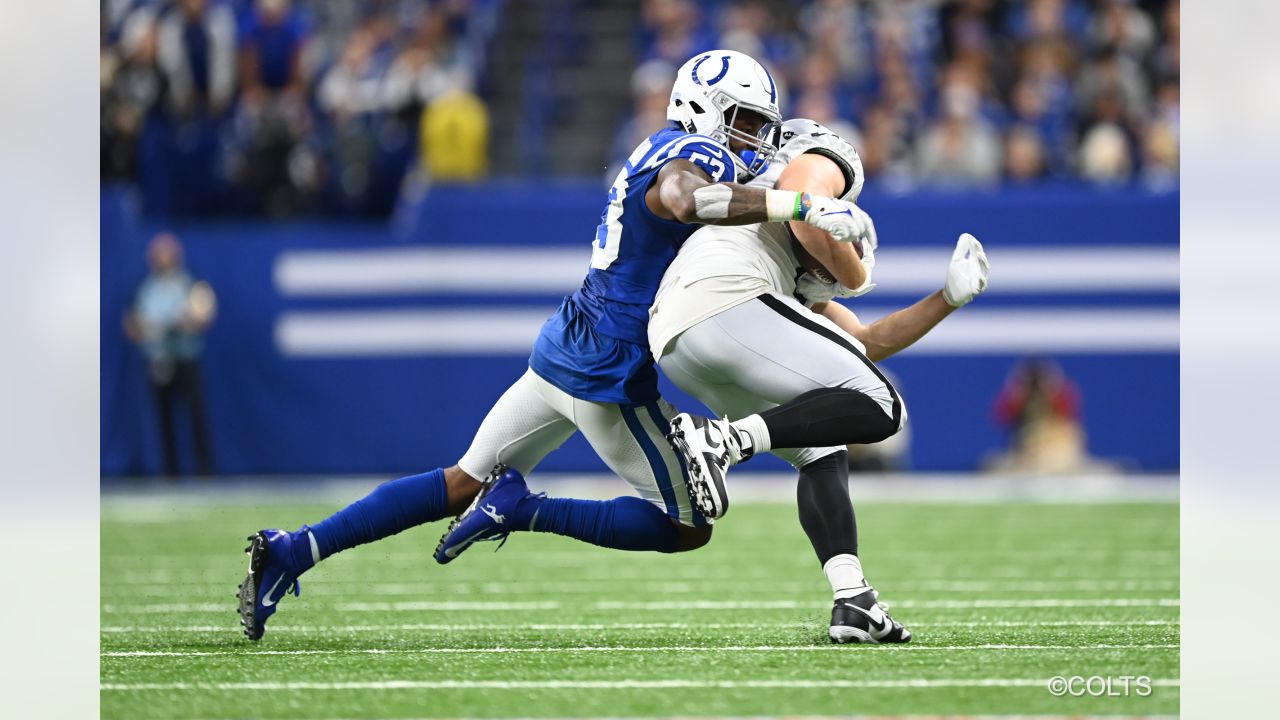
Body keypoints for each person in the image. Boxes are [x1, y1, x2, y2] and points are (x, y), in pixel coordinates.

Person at [238, 50, 876, 641]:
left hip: (566, 342)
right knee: (688, 525)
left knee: (461, 481)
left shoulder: (666, 148)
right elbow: (691, 200)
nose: (748, 136)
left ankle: (297, 548)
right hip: (610, 371)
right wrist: (801, 203)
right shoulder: (691, 154)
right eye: (739, 120)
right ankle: (527, 510)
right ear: (701, 107)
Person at [652, 119, 990, 642]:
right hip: (724, 302)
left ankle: (853, 599)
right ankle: (726, 439)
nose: (834, 276)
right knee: (883, 404)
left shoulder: (780, 260)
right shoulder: (814, 169)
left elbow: (867, 342)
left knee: (821, 447)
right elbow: (805, 200)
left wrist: (946, 299)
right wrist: (854, 269)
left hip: (680, 337)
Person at [124, 232, 218, 477]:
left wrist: (182, 322)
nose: (163, 259)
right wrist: (145, 328)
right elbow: (134, 324)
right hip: (159, 359)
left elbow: (202, 316)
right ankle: (170, 472)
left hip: (186, 356)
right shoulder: (147, 288)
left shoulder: (189, 284)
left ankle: (204, 470)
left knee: (195, 414)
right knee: (163, 417)